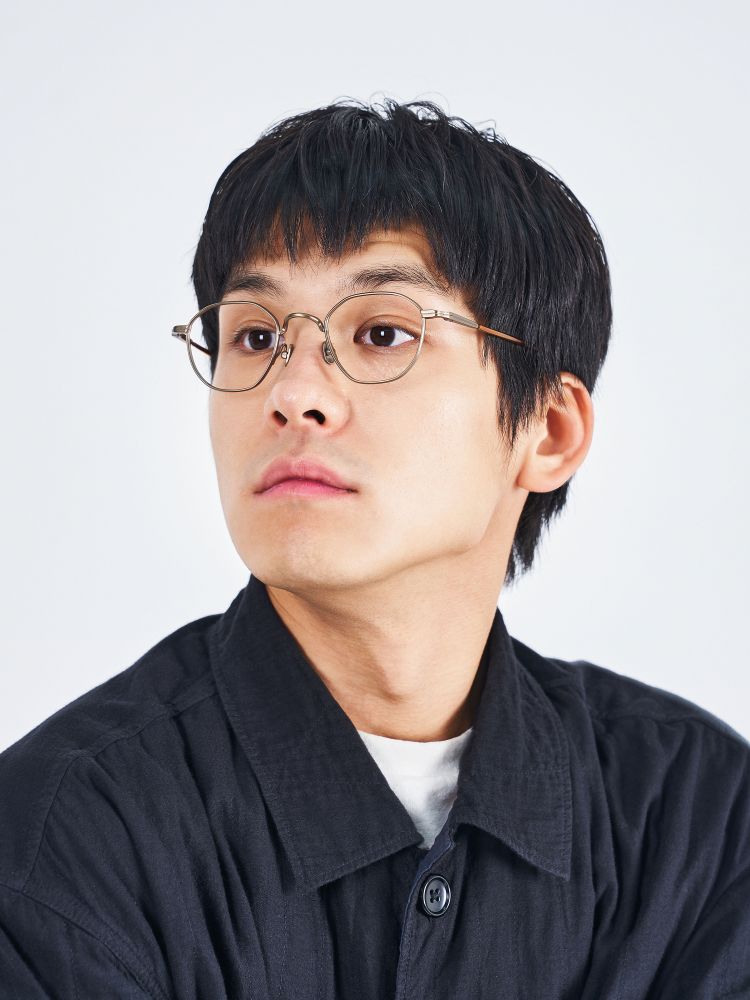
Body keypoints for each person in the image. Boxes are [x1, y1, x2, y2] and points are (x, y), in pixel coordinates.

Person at [1, 98, 748, 999]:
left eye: (382, 333)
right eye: (256, 336)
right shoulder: (62, 837)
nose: (293, 393)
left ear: (548, 431)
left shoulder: (698, 818)